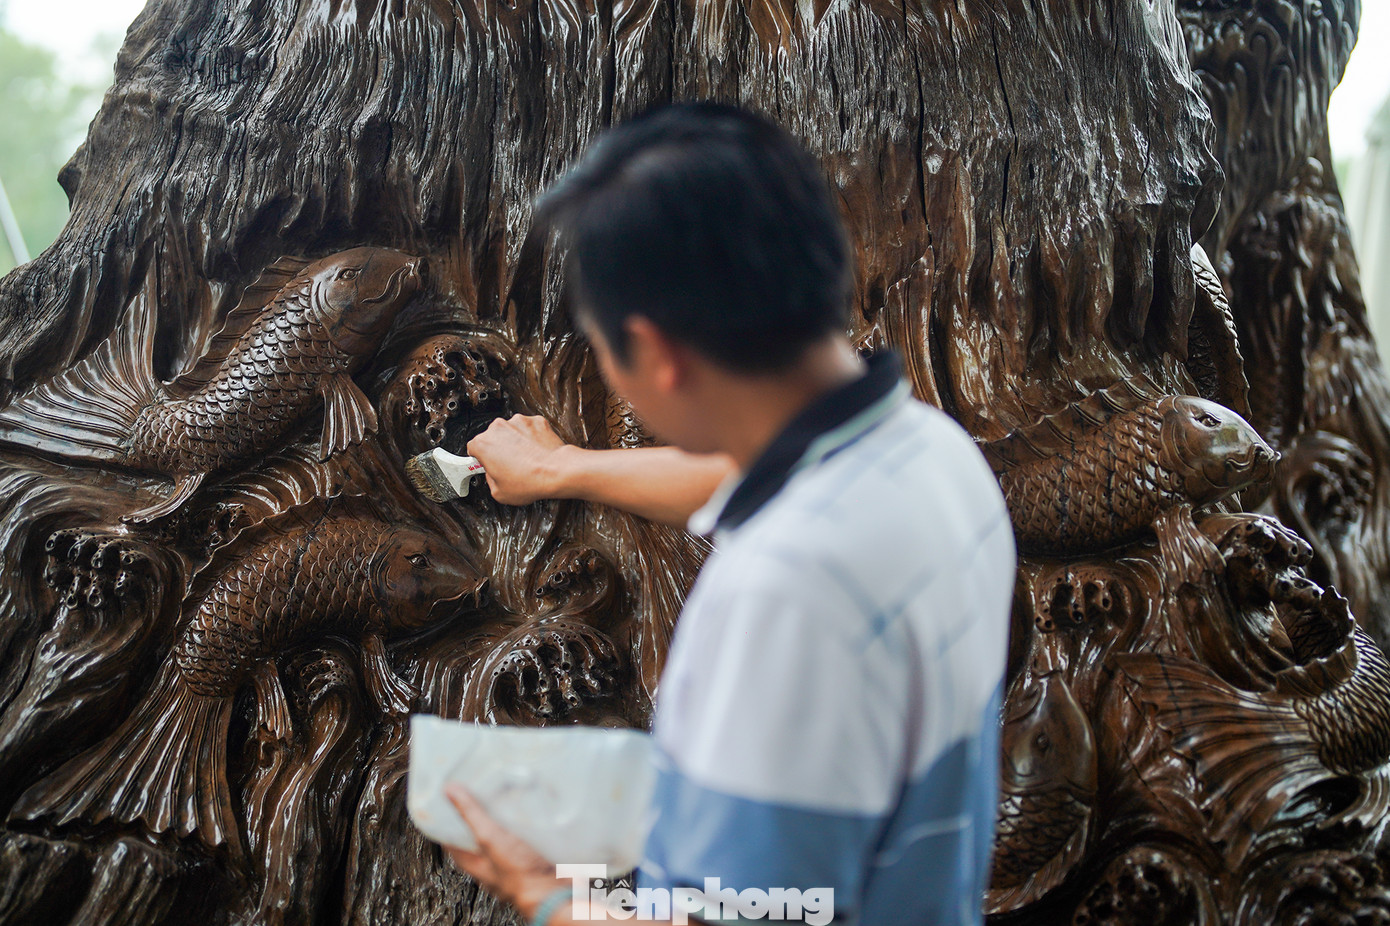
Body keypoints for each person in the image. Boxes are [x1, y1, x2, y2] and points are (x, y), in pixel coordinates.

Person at [439, 102, 1016, 926]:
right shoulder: (935, 458)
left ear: (660, 354)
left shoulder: (782, 597)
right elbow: (745, 476)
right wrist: (565, 468)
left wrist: (548, 896)